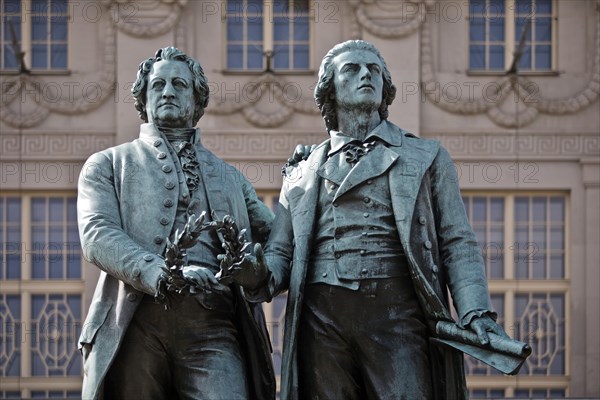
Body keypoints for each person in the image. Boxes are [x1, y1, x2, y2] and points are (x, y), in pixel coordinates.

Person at [228, 40, 510, 400]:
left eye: (374, 70)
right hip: (321, 318)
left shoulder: (425, 156)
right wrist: (255, 273)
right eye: (353, 69)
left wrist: (475, 312)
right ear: (330, 89)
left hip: (395, 314)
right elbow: (281, 253)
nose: (366, 75)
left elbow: (457, 241)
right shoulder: (301, 170)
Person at [77, 46, 276, 400]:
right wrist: (158, 271)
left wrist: (258, 272)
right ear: (144, 97)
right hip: (137, 321)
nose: (168, 91)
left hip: (214, 325)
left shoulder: (231, 178)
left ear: (197, 99)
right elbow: (97, 234)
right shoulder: (107, 164)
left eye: (179, 85)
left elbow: (279, 242)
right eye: (158, 85)